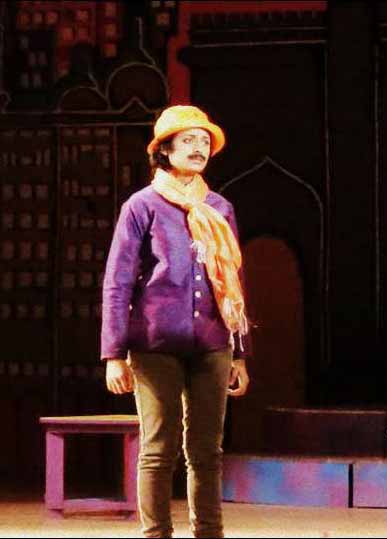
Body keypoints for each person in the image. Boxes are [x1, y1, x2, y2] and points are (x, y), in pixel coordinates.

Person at [101, 105, 251, 538]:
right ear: (164, 150)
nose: (199, 148)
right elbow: (118, 281)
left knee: (206, 450)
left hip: (212, 341)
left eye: (204, 142)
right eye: (188, 141)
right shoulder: (142, 206)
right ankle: (156, 534)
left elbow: (234, 281)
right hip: (155, 342)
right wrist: (114, 354)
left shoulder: (219, 207)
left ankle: (209, 533)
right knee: (158, 448)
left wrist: (240, 353)